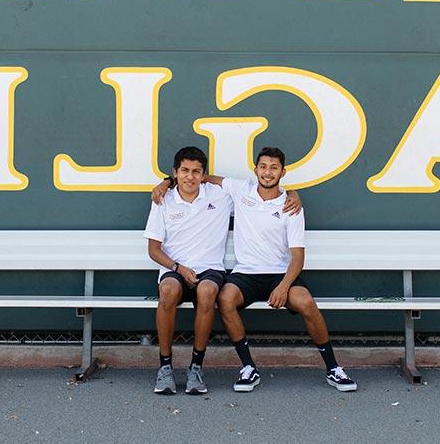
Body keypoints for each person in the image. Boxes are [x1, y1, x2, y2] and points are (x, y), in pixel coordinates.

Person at [152, 147, 355, 393]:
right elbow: (200, 177)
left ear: (283, 171)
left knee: (306, 302)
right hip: (245, 273)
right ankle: (248, 367)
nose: (267, 173)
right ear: (255, 169)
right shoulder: (240, 190)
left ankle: (333, 368)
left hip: (279, 274)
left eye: (274, 167)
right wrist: (166, 182)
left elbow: (298, 258)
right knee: (224, 299)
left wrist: (284, 286)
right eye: (263, 167)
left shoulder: (291, 206)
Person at [144, 146, 232, 394]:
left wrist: (293, 193)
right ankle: (165, 368)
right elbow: (153, 249)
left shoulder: (219, 196)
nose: (190, 177)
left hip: (210, 269)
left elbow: (259, 191)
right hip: (175, 269)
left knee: (206, 292)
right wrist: (178, 268)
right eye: (184, 171)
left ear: (204, 175)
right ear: (175, 173)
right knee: (168, 291)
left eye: (196, 171)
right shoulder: (163, 200)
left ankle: (196, 368)